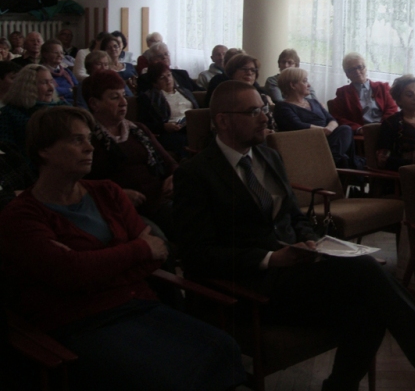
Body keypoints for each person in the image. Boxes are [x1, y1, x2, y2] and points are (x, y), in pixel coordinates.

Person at [172, 80, 415, 391]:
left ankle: (342, 387)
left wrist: (310, 239)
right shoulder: (196, 174)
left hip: (297, 267)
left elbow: (294, 216)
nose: (265, 117)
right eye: (254, 112)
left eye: (263, 108)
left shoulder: (268, 156)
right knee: (368, 274)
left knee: (370, 305)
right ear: (222, 121)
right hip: (251, 285)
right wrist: (270, 258)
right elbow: (197, 254)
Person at [0, 106, 245, 391]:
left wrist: (91, 266)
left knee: (223, 347)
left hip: (136, 305)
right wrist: (136, 251)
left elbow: (156, 254)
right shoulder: (21, 215)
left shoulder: (107, 191)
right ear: (44, 150)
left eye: (89, 138)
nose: (90, 147)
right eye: (77, 140)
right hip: (80, 323)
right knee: (167, 379)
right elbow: (70, 273)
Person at [83, 70, 178, 236]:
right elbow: (80, 185)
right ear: (94, 104)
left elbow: (171, 164)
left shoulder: (138, 130)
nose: (123, 102)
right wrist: (116, 195)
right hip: (121, 210)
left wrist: (173, 177)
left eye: (123, 95)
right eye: (114, 97)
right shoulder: (87, 139)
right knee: (160, 237)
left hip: (160, 200)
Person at [273, 67, 359, 168]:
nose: (309, 85)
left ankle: (327, 163)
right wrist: (323, 131)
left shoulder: (314, 102)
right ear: (293, 85)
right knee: (344, 156)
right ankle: (327, 165)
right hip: (307, 145)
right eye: (305, 81)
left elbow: (332, 120)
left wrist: (329, 129)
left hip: (327, 141)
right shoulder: (282, 107)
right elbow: (298, 126)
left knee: (345, 130)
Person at [375, 74, 415, 170]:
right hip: (410, 174)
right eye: (409, 95)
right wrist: (414, 164)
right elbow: (382, 160)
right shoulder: (391, 123)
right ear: (399, 101)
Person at [138, 62, 199, 157]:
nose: (168, 79)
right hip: (171, 132)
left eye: (169, 75)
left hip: (193, 126)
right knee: (182, 141)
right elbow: (143, 124)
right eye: (162, 77)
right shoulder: (148, 98)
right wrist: (164, 126)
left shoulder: (185, 92)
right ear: (155, 83)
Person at [0, 64, 67, 148]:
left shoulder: (63, 108)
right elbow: (6, 147)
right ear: (28, 86)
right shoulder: (10, 113)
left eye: (51, 82)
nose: (51, 88)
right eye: (44, 83)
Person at [329, 52, 398, 132]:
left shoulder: (383, 87)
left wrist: (383, 126)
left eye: (359, 67)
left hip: (385, 129)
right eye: (351, 69)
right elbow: (339, 118)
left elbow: (392, 109)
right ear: (347, 74)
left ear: (365, 68)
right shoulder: (343, 93)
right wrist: (359, 129)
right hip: (362, 133)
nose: (357, 72)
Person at [40, 39, 78, 104]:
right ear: (45, 54)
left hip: (75, 102)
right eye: (56, 52)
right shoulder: (41, 72)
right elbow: (51, 91)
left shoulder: (67, 71)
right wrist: (70, 90)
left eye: (62, 53)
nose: (60, 55)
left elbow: (77, 88)